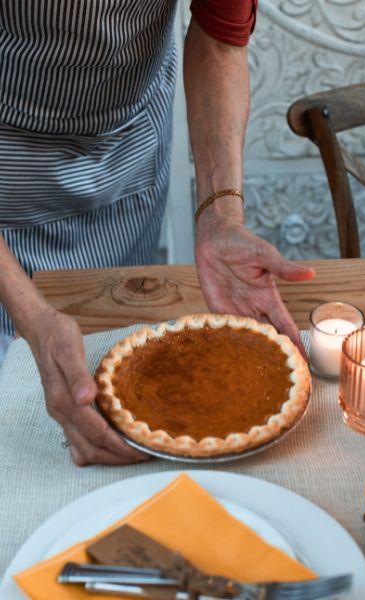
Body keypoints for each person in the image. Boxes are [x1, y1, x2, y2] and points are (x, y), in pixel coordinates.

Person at [0, 0, 315, 466]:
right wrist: (32, 318)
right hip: (10, 147)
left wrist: (220, 215)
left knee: (123, 342)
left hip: (128, 141)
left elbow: (220, 41)